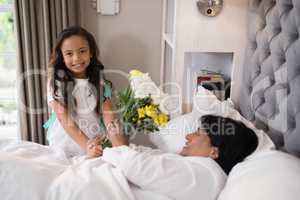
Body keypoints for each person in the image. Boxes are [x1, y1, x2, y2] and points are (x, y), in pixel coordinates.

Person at [101, 115, 258, 200]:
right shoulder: (193, 165)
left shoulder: (206, 176)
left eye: (198, 133)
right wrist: (123, 145)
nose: (188, 136)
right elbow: (150, 159)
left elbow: (141, 168)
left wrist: (119, 145)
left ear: (214, 152)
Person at [44, 26, 115, 158]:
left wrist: (113, 139)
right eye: (69, 54)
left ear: (91, 52)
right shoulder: (55, 82)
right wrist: (87, 145)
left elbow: (108, 115)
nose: (76, 58)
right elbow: (64, 119)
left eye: (82, 51)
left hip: (95, 140)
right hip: (67, 143)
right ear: (62, 56)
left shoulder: (100, 81)